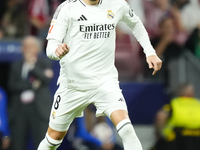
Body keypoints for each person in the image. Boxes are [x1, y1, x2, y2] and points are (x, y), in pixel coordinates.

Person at [37, 0, 162, 150]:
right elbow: (50, 47)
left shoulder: (117, 4)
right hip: (73, 85)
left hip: (105, 82)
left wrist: (150, 52)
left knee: (127, 129)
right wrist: (56, 51)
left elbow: (135, 23)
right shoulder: (67, 8)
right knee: (53, 139)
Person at [8, 36, 53, 150]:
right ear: (21, 49)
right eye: (25, 46)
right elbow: (12, 85)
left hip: (39, 109)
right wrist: (33, 85)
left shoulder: (44, 62)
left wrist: (31, 66)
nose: (28, 49)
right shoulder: (16, 65)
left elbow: (45, 80)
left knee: (41, 143)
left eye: (31, 46)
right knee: (18, 144)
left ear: (37, 49)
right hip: (19, 110)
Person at [151, 83, 200, 150]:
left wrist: (159, 134)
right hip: (197, 138)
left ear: (180, 92)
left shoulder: (174, 103)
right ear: (192, 93)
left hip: (177, 138)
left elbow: (160, 116)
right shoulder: (198, 104)